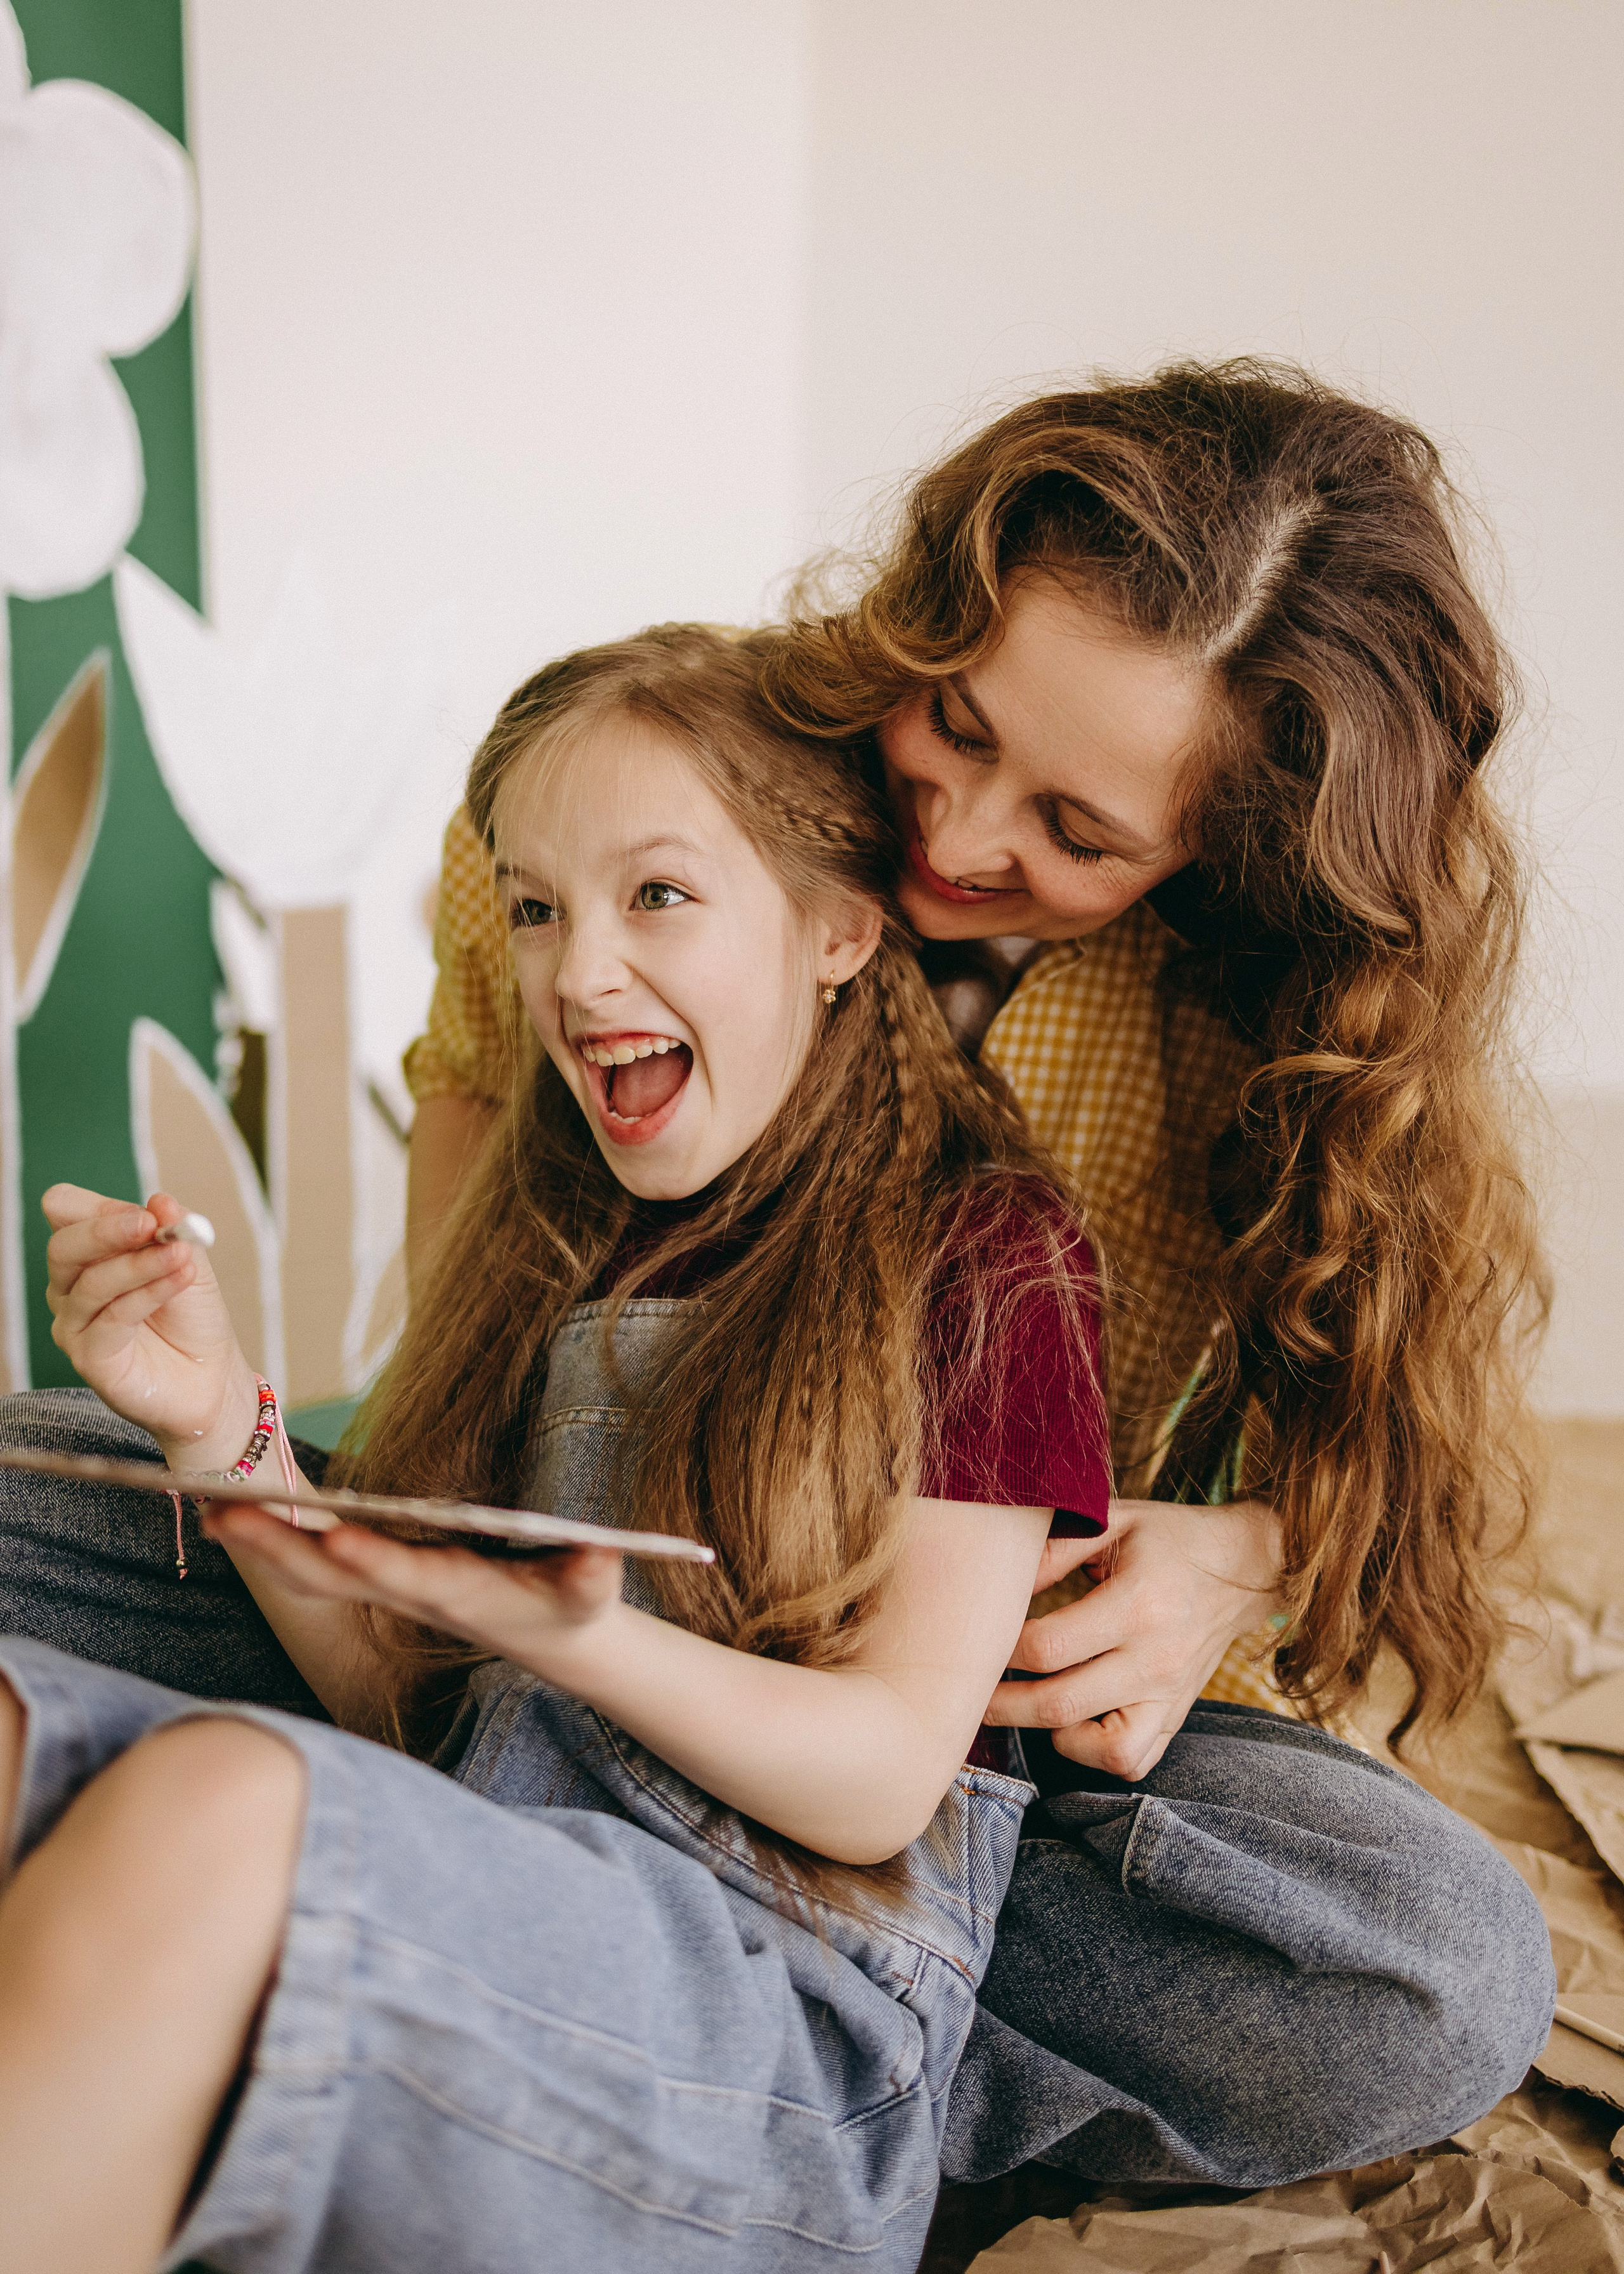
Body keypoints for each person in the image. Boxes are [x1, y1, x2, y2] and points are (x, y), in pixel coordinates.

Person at [0, 371, 1554, 2211]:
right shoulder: (621, 796)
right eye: (959, 724)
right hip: (544, 1664)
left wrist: (1239, 1552)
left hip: (906, 1707)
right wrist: (244, 1444)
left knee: (1422, 1950)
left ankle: (711, 2083)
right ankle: (472, 1964)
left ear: (1213, 866)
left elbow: (942, 1729)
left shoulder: (1137, 1137)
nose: (962, 842)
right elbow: (479, 1466)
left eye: (1079, 832)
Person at [3, 626, 1110, 2268]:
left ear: (835, 928)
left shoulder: (989, 1253)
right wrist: (216, 1420)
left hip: (784, 2042)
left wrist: (578, 1644)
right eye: (537, 906)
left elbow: (884, 1778)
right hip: (515, 1884)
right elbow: (415, 1711)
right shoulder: (545, 1231)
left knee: (219, 1805)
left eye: (656, 895)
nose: (577, 971)